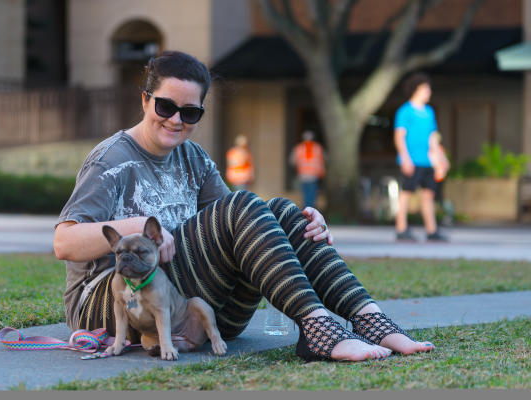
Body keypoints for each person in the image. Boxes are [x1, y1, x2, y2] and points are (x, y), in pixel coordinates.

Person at [53, 50, 435, 363]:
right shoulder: (110, 161)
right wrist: (136, 225)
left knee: (286, 212)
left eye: (190, 113)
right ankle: (319, 328)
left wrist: (305, 225)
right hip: (112, 306)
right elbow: (63, 243)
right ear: (144, 100)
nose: (175, 120)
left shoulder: (194, 159)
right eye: (166, 106)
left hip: (194, 306)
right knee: (247, 204)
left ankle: (370, 319)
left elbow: (244, 222)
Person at [393, 73, 448, 242]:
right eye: (425, 88)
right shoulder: (405, 111)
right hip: (412, 160)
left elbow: (432, 138)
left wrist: (441, 158)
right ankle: (401, 228)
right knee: (406, 194)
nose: (428, 91)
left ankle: (432, 230)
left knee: (429, 195)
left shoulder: (429, 112)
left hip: (428, 161)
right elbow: (399, 137)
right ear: (415, 90)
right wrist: (405, 159)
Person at [289, 130, 326, 208]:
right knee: (312, 195)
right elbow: (323, 160)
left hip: (303, 175)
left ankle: (307, 210)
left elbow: (292, 161)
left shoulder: (298, 148)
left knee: (305, 195)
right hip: (313, 175)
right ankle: (311, 211)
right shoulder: (317, 148)